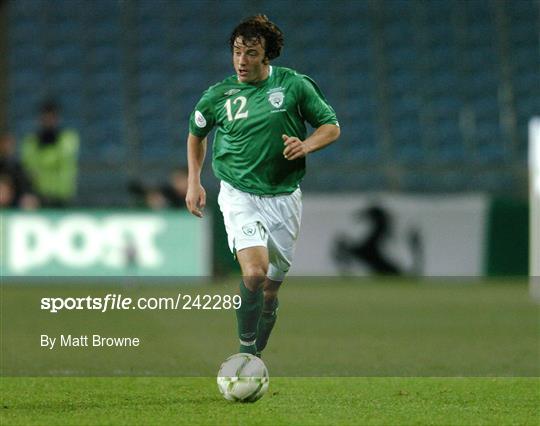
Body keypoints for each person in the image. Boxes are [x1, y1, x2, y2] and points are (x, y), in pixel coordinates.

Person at [185, 15, 340, 357]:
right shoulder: (217, 96)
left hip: (284, 197)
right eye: (237, 52)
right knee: (254, 274)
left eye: (251, 53)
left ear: (267, 55)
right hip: (239, 193)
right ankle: (244, 354)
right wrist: (194, 180)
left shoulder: (294, 85)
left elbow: (331, 126)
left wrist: (306, 145)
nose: (242, 60)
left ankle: (261, 334)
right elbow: (197, 135)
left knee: (269, 291)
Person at [21, 100, 79, 207]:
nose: (48, 121)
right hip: (38, 197)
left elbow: (64, 159)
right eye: (45, 117)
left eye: (52, 117)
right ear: (40, 119)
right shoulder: (31, 141)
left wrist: (44, 152)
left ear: (58, 119)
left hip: (63, 196)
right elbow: (29, 168)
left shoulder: (68, 138)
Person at [0, 132, 39, 209]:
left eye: (10, 144)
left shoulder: (18, 168)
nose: (7, 147)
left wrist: (28, 197)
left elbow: (26, 189)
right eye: (4, 144)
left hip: (14, 206)